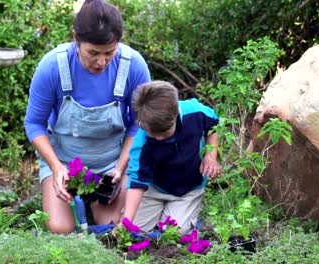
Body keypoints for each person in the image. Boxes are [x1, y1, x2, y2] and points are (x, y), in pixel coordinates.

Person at [24, 0, 152, 233]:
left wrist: (121, 167)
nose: (101, 62)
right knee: (60, 229)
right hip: (64, 161)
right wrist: (56, 167)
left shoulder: (133, 66)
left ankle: (96, 203)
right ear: (75, 38)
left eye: (109, 53)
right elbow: (34, 124)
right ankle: (68, 198)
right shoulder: (53, 66)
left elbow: (138, 124)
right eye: (93, 53)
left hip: (112, 163)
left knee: (112, 225)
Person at [122, 80, 220, 235]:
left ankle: (177, 218)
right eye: (153, 133)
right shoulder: (141, 143)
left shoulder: (195, 112)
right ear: (142, 123)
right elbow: (137, 182)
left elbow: (213, 125)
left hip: (188, 189)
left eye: (165, 132)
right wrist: (126, 223)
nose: (159, 138)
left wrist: (210, 154)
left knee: (174, 233)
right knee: (135, 232)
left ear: (176, 113)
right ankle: (155, 217)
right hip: (154, 189)